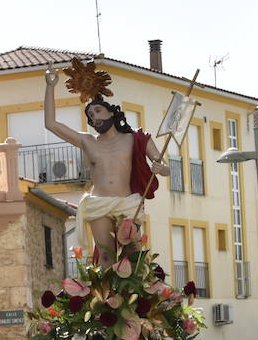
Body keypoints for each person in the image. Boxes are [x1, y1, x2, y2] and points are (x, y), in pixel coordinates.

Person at [43, 61, 169, 257]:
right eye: (91, 116)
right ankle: (103, 290)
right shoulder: (88, 141)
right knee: (106, 256)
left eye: (98, 111)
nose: (95, 118)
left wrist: (160, 168)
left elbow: (164, 166)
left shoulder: (135, 138)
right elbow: (51, 124)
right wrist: (50, 87)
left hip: (127, 203)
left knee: (133, 255)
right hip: (99, 204)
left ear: (111, 111)